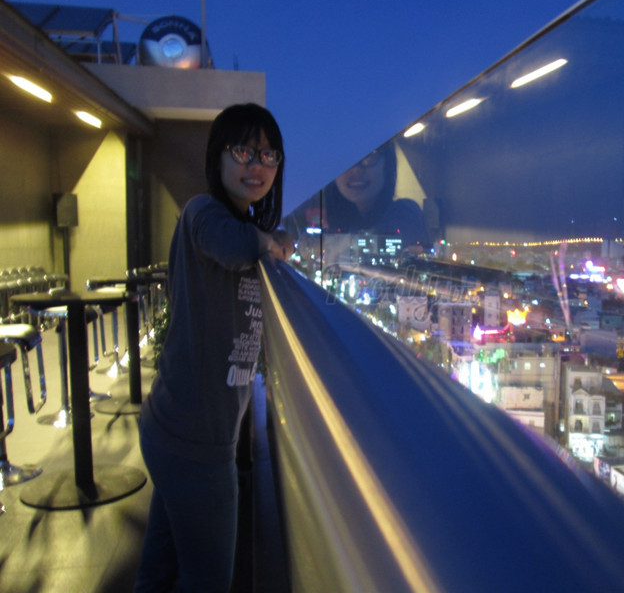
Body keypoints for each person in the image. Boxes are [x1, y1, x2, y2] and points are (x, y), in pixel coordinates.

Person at [134, 103, 293, 593]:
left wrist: (275, 239)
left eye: (268, 155)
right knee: (207, 582)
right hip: (195, 442)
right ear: (217, 157)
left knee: (159, 573)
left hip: (181, 431)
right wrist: (272, 241)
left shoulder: (242, 225)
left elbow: (254, 243)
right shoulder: (203, 212)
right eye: (244, 151)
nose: (257, 164)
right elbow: (236, 247)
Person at [283, 142, 430, 251]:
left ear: (387, 164)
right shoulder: (345, 222)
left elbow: (381, 242)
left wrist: (325, 244)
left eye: (369, 156)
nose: (355, 169)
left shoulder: (406, 214)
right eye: (345, 160)